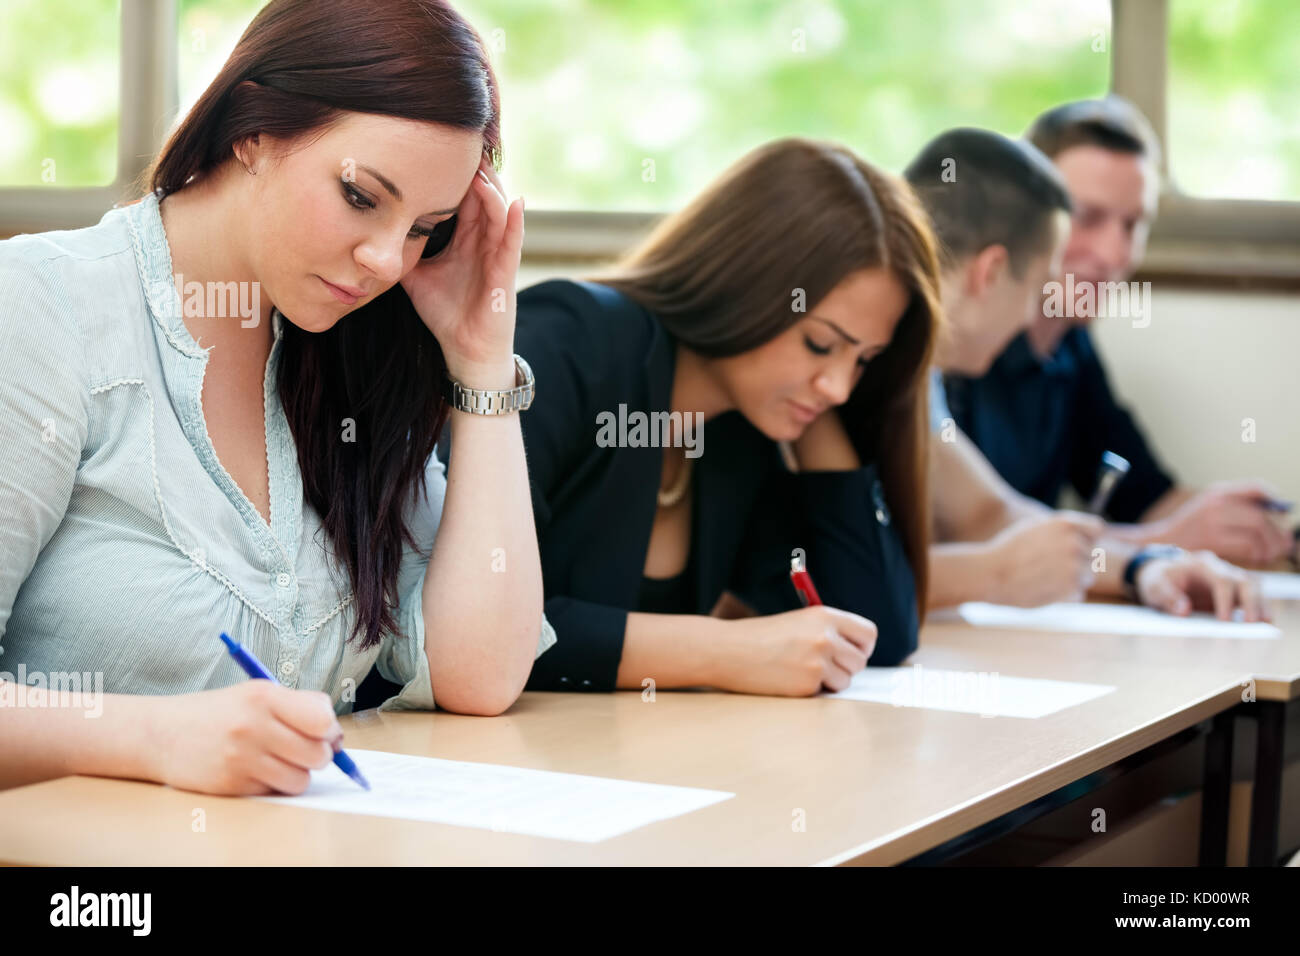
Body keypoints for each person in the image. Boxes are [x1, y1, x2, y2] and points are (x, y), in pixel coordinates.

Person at [0, 0, 552, 796]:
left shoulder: (357, 351)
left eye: (425, 227)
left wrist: (480, 364)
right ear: (253, 131)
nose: (387, 261)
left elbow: (480, 675)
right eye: (363, 197)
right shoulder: (43, 308)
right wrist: (150, 737)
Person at [514, 138, 941, 698]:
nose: (840, 387)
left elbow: (871, 634)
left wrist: (816, 408)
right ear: (747, 286)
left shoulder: (740, 429)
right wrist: (721, 652)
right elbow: (471, 620)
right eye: (819, 343)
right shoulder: (570, 341)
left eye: (864, 360)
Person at [907, 127, 1265, 618]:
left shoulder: (926, 374)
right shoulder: (890, 358)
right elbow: (853, 575)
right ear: (991, 272)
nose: (1115, 256)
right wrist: (995, 573)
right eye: (1037, 289)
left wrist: (1144, 563)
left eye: (1132, 225)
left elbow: (991, 515)